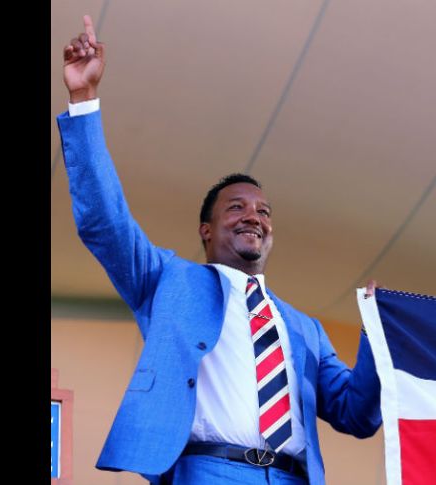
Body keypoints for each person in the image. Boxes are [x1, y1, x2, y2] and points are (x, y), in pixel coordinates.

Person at [57, 15, 381, 485]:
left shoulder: (305, 330)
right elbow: (105, 222)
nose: (254, 216)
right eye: (237, 207)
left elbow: (357, 414)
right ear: (206, 230)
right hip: (207, 470)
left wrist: (375, 336)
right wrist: (84, 100)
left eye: (264, 211)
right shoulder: (168, 280)